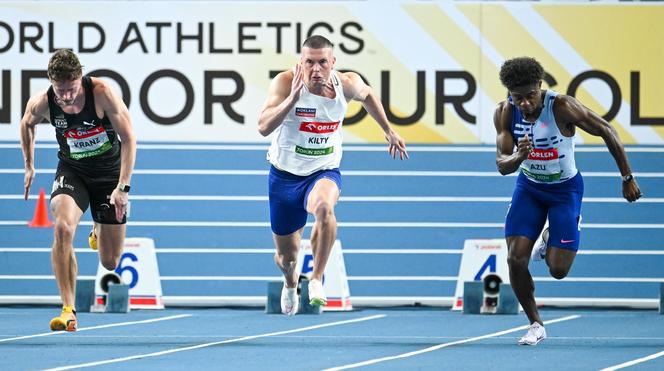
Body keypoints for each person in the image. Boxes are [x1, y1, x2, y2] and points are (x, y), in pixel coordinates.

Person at [494, 57, 641, 345]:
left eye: (530, 96)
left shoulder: (561, 106)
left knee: (558, 270)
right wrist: (519, 157)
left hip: (565, 191)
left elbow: (607, 131)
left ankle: (551, 235)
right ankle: (535, 323)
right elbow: (502, 164)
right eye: (517, 97)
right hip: (529, 189)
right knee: (515, 258)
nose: (524, 104)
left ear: (540, 86)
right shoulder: (504, 113)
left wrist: (627, 177)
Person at [258, 35, 408, 315]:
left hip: (323, 170)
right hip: (284, 178)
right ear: (300, 63)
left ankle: (316, 279)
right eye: (309, 63)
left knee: (325, 208)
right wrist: (292, 98)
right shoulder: (284, 82)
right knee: (286, 257)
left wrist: (388, 130)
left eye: (322, 62)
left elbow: (369, 95)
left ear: (332, 63)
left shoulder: (346, 83)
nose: (316, 70)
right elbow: (263, 127)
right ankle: (291, 283)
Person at [20, 49, 137, 331]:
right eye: (62, 91)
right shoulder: (43, 101)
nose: (68, 97)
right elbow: (27, 124)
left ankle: (98, 226)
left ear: (80, 78)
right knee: (62, 229)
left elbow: (129, 138)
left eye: (72, 89)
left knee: (110, 261)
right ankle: (68, 309)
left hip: (109, 176)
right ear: (51, 82)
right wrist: (29, 165)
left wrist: (123, 187)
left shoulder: (101, 93)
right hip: (73, 171)